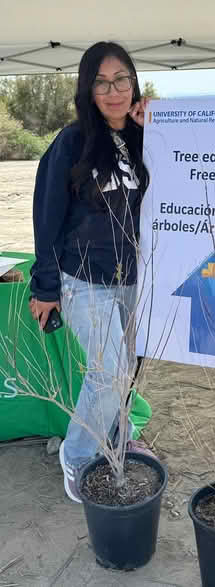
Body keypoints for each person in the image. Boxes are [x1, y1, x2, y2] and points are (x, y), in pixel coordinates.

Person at [29, 41, 151, 503]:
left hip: (134, 276)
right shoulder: (72, 142)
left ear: (134, 82)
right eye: (101, 82)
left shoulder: (143, 138)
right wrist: (45, 285)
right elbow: (47, 215)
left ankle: (119, 437)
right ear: (88, 88)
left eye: (121, 79)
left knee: (126, 368)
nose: (114, 90)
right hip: (83, 277)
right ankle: (77, 456)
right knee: (109, 373)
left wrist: (158, 125)